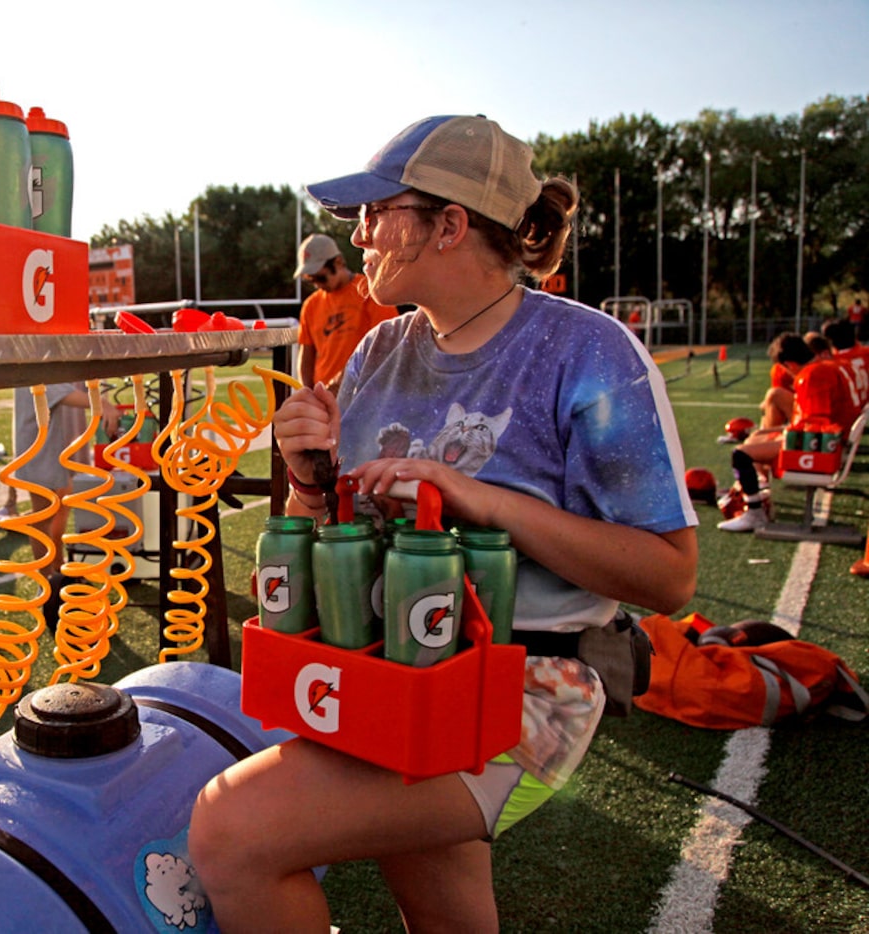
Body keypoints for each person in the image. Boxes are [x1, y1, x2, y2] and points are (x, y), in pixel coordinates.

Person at [188, 115, 698, 932]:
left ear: (450, 224)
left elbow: (670, 578)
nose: (355, 236)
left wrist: (483, 500)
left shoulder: (586, 351)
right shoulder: (379, 350)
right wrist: (309, 481)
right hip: (388, 671)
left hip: (530, 685)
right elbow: (315, 535)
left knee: (231, 830)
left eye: (376, 212)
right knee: (444, 913)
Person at [717, 332, 860, 532]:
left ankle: (755, 512)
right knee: (756, 438)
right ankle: (757, 488)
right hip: (834, 438)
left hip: (825, 447)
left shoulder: (811, 376)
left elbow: (815, 427)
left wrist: (779, 437)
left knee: (741, 454)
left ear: (790, 364)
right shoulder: (829, 366)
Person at [11, 382, 101, 564]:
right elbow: (60, 392)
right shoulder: (35, 361)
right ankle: (46, 578)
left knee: (61, 504)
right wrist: (102, 405)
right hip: (38, 442)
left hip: (57, 438)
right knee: (43, 514)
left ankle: (57, 565)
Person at [294, 233, 395, 393]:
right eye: (311, 280)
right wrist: (308, 392)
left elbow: (387, 345)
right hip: (325, 396)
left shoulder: (370, 293)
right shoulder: (311, 305)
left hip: (365, 393)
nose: (317, 285)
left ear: (339, 262)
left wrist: (345, 379)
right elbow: (306, 357)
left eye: (320, 278)